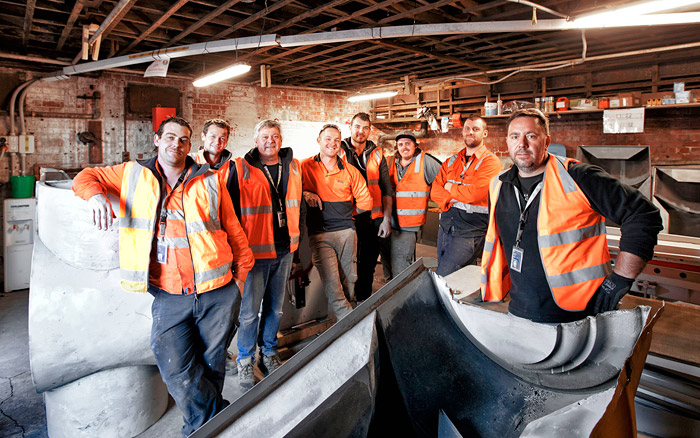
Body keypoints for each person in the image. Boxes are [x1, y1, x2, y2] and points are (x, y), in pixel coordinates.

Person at [72, 116, 254, 437]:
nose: (176, 144)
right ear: (157, 140)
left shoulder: (210, 180)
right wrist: (96, 195)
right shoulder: (132, 174)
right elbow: (87, 176)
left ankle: (198, 429)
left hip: (218, 291)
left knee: (212, 365)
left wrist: (239, 282)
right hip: (169, 293)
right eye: (170, 137)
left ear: (189, 144)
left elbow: (235, 232)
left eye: (183, 139)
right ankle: (213, 419)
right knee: (175, 364)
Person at [480, 108, 663, 323]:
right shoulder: (499, 185)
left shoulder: (577, 177)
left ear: (546, 141)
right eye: (515, 136)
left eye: (531, 136)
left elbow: (643, 214)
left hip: (576, 314)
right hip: (518, 308)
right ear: (507, 142)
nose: (522, 144)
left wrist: (620, 278)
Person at [220, 120, 302, 390]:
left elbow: (295, 202)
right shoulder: (241, 168)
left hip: (284, 250)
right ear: (256, 141)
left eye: (275, 136)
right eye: (265, 136)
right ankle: (245, 359)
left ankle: (268, 352)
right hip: (254, 254)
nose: (270, 141)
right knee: (248, 313)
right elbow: (229, 211)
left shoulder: (293, 165)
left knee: (276, 308)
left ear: (281, 139)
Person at [302, 124, 373, 319]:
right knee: (333, 283)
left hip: (347, 233)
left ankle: (345, 319)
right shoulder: (304, 166)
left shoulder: (350, 171)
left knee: (349, 279)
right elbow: (290, 192)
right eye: (327, 139)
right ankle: (352, 322)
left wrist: (345, 212)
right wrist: (306, 193)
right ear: (319, 141)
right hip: (320, 234)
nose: (332, 143)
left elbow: (366, 203)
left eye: (336, 140)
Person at [431, 114, 502, 276]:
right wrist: (455, 195)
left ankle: (445, 302)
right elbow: (435, 190)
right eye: (467, 129)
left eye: (476, 129)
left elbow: (475, 194)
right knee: (444, 270)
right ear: (462, 132)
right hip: (446, 226)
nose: (470, 132)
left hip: (470, 229)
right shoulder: (451, 161)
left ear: (484, 133)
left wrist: (449, 188)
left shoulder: (490, 162)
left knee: (446, 276)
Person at [340, 112, 393, 301]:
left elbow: (386, 189)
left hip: (374, 218)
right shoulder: (338, 150)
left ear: (369, 130)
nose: (360, 131)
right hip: (348, 217)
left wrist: (386, 220)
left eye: (365, 127)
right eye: (357, 126)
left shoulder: (377, 153)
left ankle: (362, 301)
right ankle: (344, 304)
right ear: (350, 127)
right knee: (345, 263)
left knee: (368, 264)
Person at [387, 132, 442, 276]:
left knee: (401, 264)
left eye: (407, 144)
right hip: (388, 222)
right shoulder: (390, 162)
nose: (404, 147)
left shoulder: (425, 161)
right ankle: (391, 291)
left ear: (415, 146)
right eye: (400, 144)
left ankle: (404, 295)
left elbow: (444, 179)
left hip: (408, 225)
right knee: (389, 263)